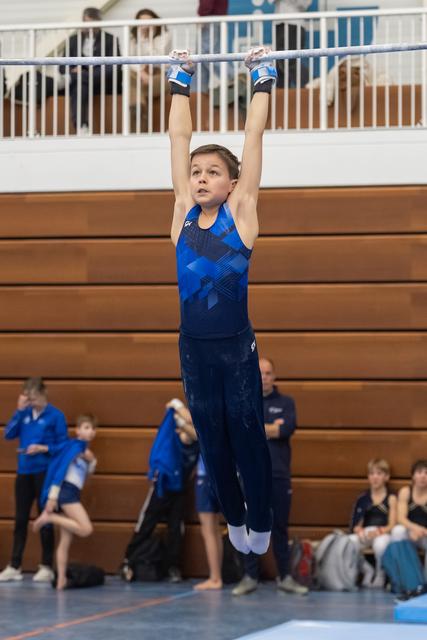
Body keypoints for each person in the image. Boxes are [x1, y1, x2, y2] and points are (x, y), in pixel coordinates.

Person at [168, 46, 277, 556]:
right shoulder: (182, 218)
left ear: (232, 184)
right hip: (194, 348)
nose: (201, 178)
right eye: (196, 173)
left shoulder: (243, 214)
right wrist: (180, 79)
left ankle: (262, 517)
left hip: (235, 348)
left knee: (248, 435)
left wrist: (261, 76)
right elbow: (178, 137)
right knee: (212, 438)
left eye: (212, 172)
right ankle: (235, 517)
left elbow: (253, 137)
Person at [233, 357, 307, 595]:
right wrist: (270, 428)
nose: (264, 377)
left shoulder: (286, 402)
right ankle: (250, 576)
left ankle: (285, 576)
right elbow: (240, 432)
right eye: (260, 373)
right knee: (249, 525)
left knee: (280, 527)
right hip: (250, 475)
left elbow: (286, 429)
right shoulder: (244, 402)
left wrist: (257, 429)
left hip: (278, 475)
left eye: (268, 373)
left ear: (274, 376)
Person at [120, 399, 199, 583]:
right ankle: (128, 560)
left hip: (179, 489)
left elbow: (196, 434)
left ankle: (173, 566)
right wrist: (180, 417)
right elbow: (173, 404)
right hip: (162, 486)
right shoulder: (171, 434)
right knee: (146, 523)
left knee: (176, 529)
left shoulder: (198, 444)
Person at [0, 378, 68, 583]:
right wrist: (19, 411)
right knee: (20, 519)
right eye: (28, 399)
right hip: (24, 472)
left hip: (44, 472)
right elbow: (8, 434)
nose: (32, 402)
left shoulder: (56, 416)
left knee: (45, 517)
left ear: (43, 394)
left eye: (35, 398)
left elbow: (63, 446)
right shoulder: (25, 414)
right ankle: (15, 565)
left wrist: (43, 448)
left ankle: (46, 565)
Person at [32, 414, 97, 590]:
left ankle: (61, 579)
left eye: (92, 428)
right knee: (85, 529)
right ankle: (50, 518)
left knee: (65, 540)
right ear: (77, 430)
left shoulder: (79, 449)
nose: (90, 431)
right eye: (86, 427)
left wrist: (92, 461)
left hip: (72, 493)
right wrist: (53, 497)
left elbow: (55, 448)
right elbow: (60, 471)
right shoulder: (74, 447)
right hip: (66, 493)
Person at [59, 7, 122, 135]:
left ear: (99, 23)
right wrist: (73, 69)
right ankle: (82, 126)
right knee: (80, 86)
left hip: (103, 82)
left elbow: (115, 67)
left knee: (80, 80)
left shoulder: (110, 39)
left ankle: (75, 78)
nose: (90, 28)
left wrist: (82, 74)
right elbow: (62, 66)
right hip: (82, 84)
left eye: (93, 24)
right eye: (87, 24)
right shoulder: (73, 40)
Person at [349, 458, 396, 588]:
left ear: (386, 477)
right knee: (350, 542)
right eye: (372, 474)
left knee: (380, 545)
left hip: (383, 532)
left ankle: (381, 573)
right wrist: (358, 530)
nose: (375, 477)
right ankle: (367, 570)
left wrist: (379, 531)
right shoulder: (363, 498)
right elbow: (356, 523)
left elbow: (393, 524)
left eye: (379, 474)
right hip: (367, 532)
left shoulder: (391, 498)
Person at [129, 9, 171, 132]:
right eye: (142, 22)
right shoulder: (132, 36)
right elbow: (129, 58)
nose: (145, 25)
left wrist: (149, 38)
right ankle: (138, 111)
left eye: (148, 21)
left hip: (159, 76)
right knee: (130, 77)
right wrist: (141, 72)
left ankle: (138, 111)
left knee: (134, 88)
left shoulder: (164, 35)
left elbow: (158, 57)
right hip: (140, 76)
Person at [392, 459, 427, 577]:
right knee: (398, 531)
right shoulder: (405, 492)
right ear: (413, 476)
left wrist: (423, 531)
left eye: (426, 473)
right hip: (410, 531)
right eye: (419, 472)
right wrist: (414, 528)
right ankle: (403, 576)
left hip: (425, 534)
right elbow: (400, 518)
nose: (423, 476)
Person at [194, 454, 223, 590]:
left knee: (208, 530)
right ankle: (217, 575)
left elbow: (191, 436)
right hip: (221, 473)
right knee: (215, 529)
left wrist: (183, 430)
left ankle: (215, 578)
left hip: (206, 474)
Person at [273, 0, 311, 88]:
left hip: (295, 23)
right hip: (279, 23)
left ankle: (309, 87)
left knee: (290, 61)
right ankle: (281, 96)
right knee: (279, 62)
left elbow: (305, 4)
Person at [197, 0, 229, 93]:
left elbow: (206, 3)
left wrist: (202, 15)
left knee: (206, 54)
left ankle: (234, 77)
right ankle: (199, 91)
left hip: (210, 18)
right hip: (216, 17)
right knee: (202, 57)